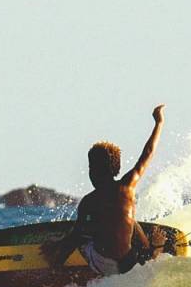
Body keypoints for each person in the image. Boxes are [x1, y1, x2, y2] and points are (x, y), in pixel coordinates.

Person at [44, 104, 165, 277]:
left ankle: (55, 267)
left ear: (92, 171)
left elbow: (75, 238)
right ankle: (153, 250)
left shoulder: (89, 202)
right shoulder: (128, 187)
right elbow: (148, 152)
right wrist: (159, 123)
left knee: (81, 236)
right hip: (128, 263)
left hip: (103, 265)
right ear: (115, 169)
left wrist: (57, 246)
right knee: (131, 220)